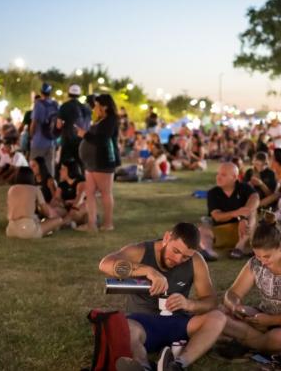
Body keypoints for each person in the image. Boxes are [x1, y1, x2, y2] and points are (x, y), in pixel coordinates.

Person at [98, 223, 226, 371]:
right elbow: (105, 264)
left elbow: (211, 301)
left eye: (185, 256)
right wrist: (148, 271)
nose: (178, 259)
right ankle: (143, 366)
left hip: (178, 322)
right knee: (125, 327)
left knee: (218, 317)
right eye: (176, 251)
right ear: (167, 237)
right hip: (142, 323)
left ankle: (177, 365)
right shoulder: (141, 251)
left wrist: (189, 304)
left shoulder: (196, 260)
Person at [219, 222, 281, 357]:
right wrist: (236, 306)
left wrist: (272, 321)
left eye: (267, 256)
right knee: (219, 313)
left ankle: (248, 343)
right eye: (258, 256)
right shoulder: (256, 263)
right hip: (263, 319)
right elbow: (232, 293)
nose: (262, 261)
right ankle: (263, 342)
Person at [77, 94, 121, 232]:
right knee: (89, 192)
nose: (94, 108)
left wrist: (85, 134)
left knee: (105, 193)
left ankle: (108, 224)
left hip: (103, 161)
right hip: (91, 162)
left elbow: (102, 140)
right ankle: (92, 224)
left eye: (96, 105)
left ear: (105, 106)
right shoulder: (101, 120)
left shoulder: (111, 120)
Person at [203, 162, 259, 259]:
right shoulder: (213, 192)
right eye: (218, 174)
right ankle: (209, 252)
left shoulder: (244, 187)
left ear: (234, 177)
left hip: (244, 231)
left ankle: (239, 248)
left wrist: (243, 217)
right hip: (222, 230)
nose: (218, 177)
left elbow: (255, 198)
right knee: (202, 229)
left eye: (223, 175)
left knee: (252, 212)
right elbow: (217, 216)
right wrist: (236, 213)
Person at [5, 166, 63, 239]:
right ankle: (52, 230)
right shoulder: (35, 189)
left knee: (37, 220)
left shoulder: (11, 189)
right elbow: (46, 211)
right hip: (28, 229)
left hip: (11, 229)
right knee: (58, 220)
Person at [56, 84, 90, 167]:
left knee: (65, 164)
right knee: (80, 164)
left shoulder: (64, 106)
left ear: (69, 93)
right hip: (82, 140)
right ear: (79, 94)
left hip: (67, 140)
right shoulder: (85, 108)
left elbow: (58, 125)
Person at [30, 83, 59, 177]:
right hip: (51, 141)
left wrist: (31, 135)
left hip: (38, 141)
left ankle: (35, 185)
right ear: (50, 92)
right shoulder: (55, 104)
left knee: (35, 165)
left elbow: (34, 123)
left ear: (41, 92)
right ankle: (50, 187)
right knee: (50, 167)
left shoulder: (38, 104)